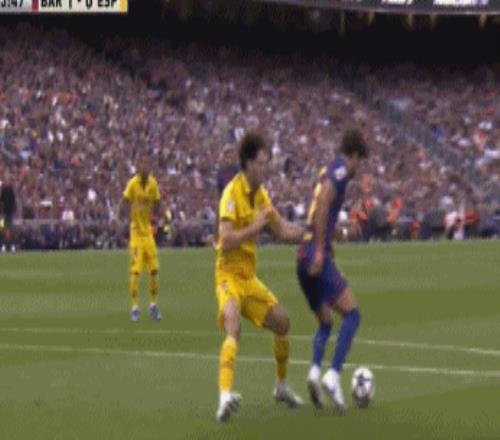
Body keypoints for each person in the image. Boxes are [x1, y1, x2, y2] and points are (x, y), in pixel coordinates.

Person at [215, 132, 305, 422]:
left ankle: (281, 386)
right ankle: (224, 397)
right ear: (248, 163)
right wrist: (255, 227)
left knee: (282, 323)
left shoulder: (262, 196)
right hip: (228, 275)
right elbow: (225, 240)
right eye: (262, 163)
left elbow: (282, 230)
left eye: (267, 163)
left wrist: (310, 234)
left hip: (248, 279)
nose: (266, 169)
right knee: (233, 326)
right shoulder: (231, 194)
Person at [296, 129, 368, 412]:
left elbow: (321, 215)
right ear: (354, 155)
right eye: (360, 161)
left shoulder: (328, 169)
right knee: (352, 314)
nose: (359, 168)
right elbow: (324, 202)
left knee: (325, 321)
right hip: (314, 255)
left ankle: (315, 371)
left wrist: (335, 237)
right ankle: (333, 375)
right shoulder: (339, 172)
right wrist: (320, 249)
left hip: (302, 256)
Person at [116, 154, 162, 322]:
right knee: (135, 272)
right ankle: (135, 307)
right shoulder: (132, 184)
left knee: (154, 270)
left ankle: (153, 305)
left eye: (146, 164)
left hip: (148, 232)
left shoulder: (153, 184)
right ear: (137, 167)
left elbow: (158, 202)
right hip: (136, 233)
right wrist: (117, 217)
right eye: (141, 164)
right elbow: (124, 201)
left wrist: (162, 217)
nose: (144, 168)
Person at [0, 173, 17, 252]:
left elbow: (13, 202)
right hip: (3, 214)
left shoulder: (11, 190)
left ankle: (11, 245)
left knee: (10, 229)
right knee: (2, 228)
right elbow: (1, 201)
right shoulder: (3, 190)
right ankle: (3, 245)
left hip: (9, 213)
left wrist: (13, 211)